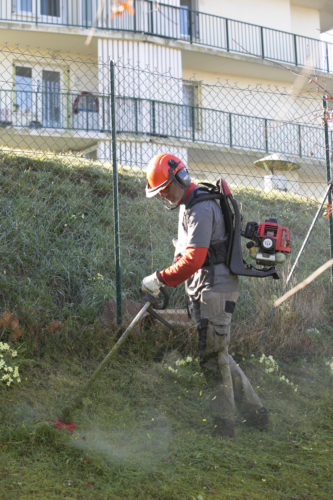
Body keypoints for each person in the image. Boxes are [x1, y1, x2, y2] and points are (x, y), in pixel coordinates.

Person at [141, 153, 269, 437]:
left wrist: (161, 278)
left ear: (179, 179)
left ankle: (224, 424)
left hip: (216, 288)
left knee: (213, 357)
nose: (163, 196)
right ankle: (256, 413)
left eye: (164, 189)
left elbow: (194, 260)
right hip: (204, 287)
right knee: (218, 352)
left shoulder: (200, 207)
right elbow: (185, 254)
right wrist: (169, 279)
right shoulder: (189, 204)